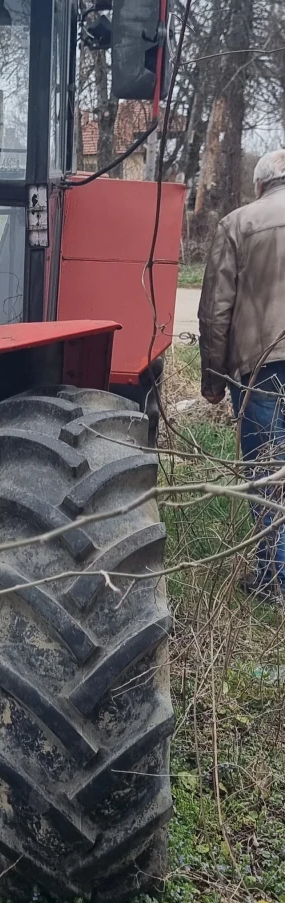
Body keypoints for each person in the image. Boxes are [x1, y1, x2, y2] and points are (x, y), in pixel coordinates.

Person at [198, 147, 285, 593]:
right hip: (264, 366)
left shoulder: (238, 223)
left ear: (259, 186)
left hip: (261, 368)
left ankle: (274, 577)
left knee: (270, 469)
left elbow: (215, 311)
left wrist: (213, 379)